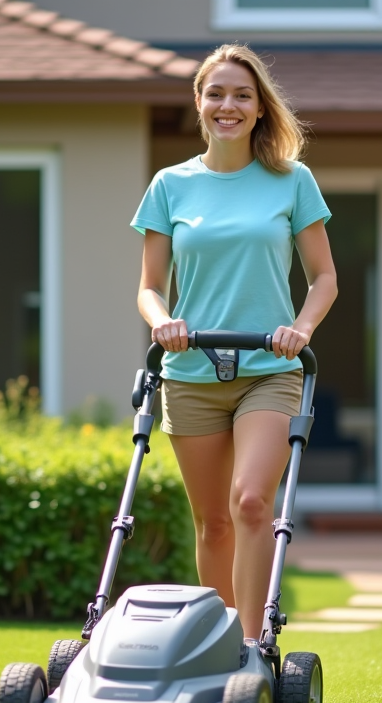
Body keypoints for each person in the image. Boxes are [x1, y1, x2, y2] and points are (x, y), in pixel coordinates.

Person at [130, 43, 338, 641]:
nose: (229, 105)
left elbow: (324, 277)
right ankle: (215, 646)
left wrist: (301, 329)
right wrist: (162, 321)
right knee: (213, 523)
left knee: (250, 503)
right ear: (199, 102)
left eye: (243, 95)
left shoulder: (291, 181)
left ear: (259, 107)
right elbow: (149, 288)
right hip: (190, 374)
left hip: (270, 370)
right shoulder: (170, 185)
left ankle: (251, 646)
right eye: (217, 93)